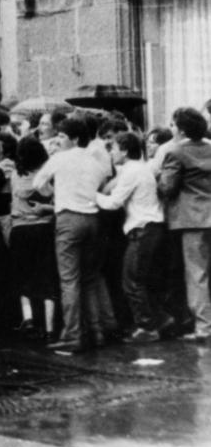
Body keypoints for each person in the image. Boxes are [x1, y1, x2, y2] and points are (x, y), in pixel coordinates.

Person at [33, 117, 117, 353]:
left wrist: (55, 194)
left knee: (69, 280)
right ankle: (97, 330)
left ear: (75, 139)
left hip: (68, 219)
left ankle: (73, 334)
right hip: (92, 218)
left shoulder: (58, 159)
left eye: (62, 136)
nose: (58, 140)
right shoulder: (96, 162)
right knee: (90, 278)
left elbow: (38, 184)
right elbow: (102, 184)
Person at [96, 131, 168, 342]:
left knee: (131, 281)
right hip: (151, 228)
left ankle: (147, 327)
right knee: (141, 279)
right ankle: (161, 319)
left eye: (115, 148)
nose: (111, 153)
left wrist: (89, 194)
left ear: (125, 151)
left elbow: (113, 203)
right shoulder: (138, 169)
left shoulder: (131, 172)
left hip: (142, 229)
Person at [158, 107, 211, 343]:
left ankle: (204, 326)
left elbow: (167, 187)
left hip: (192, 219)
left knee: (197, 273)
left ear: (180, 129)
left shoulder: (176, 151)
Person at [9, 137, 58, 341]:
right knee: (47, 276)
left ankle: (28, 319)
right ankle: (49, 328)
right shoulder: (47, 178)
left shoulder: (14, 175)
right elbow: (54, 198)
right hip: (44, 228)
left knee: (23, 276)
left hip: (20, 229)